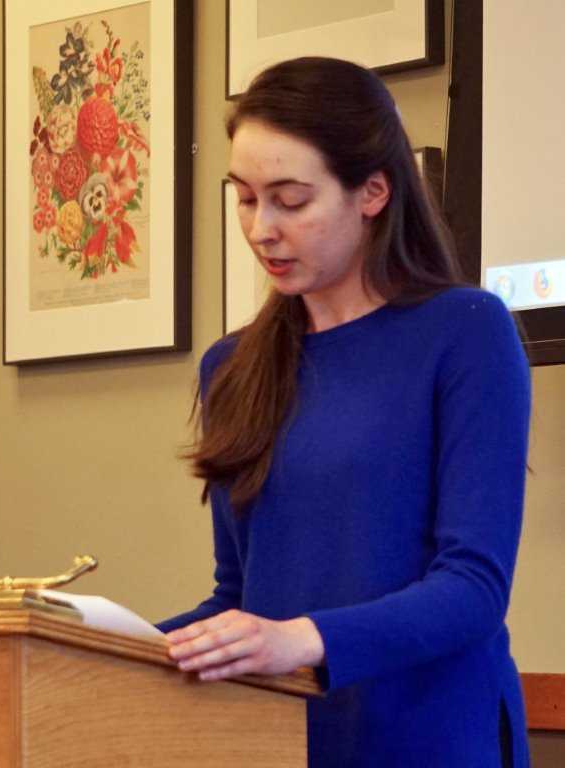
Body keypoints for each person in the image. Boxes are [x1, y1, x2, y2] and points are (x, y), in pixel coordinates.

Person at [157, 57, 530, 768]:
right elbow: (238, 595)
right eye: (243, 198)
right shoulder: (230, 369)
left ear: (373, 193)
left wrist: (299, 638)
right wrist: (103, 643)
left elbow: (473, 587)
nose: (261, 228)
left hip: (433, 740)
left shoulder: (466, 332)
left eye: (290, 200)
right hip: (280, 742)